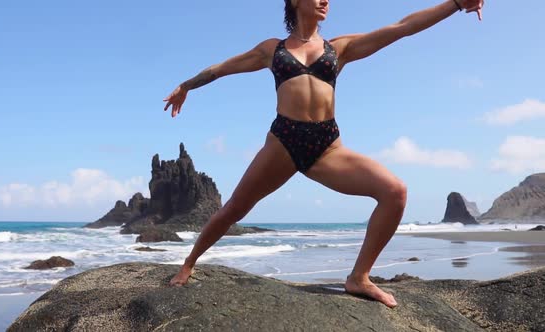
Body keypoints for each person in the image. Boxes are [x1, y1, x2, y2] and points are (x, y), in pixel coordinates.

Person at [163, 0, 484, 308]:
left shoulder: (338, 48)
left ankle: (359, 277)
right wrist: (186, 86)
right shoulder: (273, 50)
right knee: (233, 209)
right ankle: (189, 263)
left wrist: (455, 3)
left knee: (395, 191)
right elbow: (222, 68)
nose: (325, 0)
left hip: (326, 145)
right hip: (284, 142)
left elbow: (403, 27)